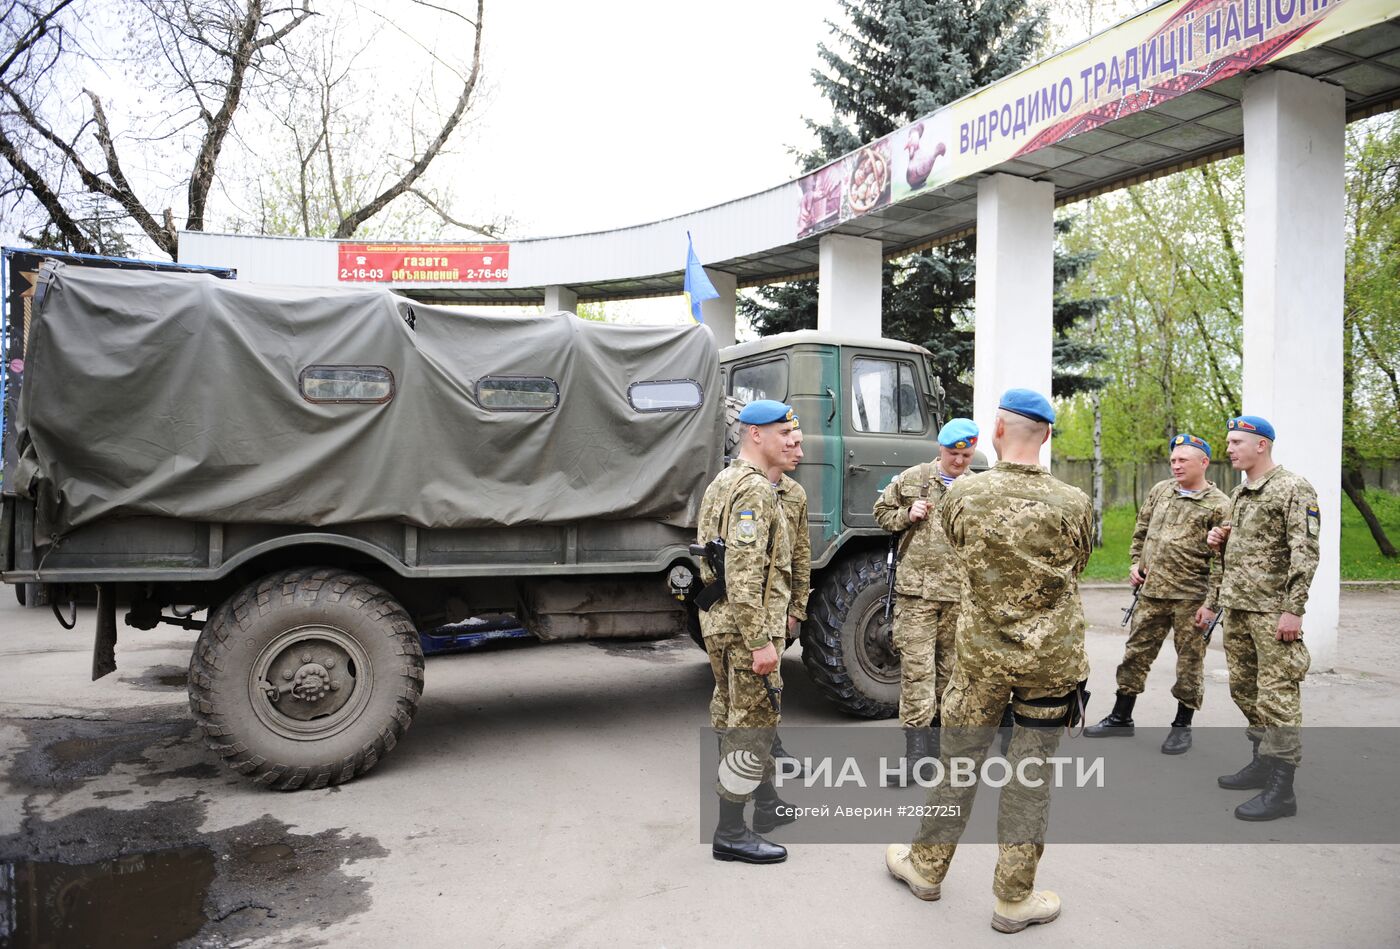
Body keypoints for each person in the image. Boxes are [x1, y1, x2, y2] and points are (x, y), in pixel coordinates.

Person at [884, 388, 1091, 934]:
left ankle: (926, 869)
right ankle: (1013, 899)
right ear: (1046, 434)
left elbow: (958, 552)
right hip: (1050, 662)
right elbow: (1080, 565)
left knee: (958, 764)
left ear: (996, 431)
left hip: (978, 661)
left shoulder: (963, 496)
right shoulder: (1074, 501)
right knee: (1030, 775)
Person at [696, 399, 796, 863]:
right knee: (753, 727)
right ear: (756, 435)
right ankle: (732, 832)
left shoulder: (724, 480)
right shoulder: (755, 489)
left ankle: (767, 803)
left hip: (720, 622)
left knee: (732, 715)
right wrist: (760, 641)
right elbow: (742, 572)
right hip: (744, 628)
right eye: (782, 432)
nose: (790, 441)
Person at [1085, 433, 1229, 754]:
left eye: (1183, 461)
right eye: (1173, 460)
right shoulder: (1161, 491)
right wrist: (1135, 563)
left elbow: (1223, 560)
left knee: (1189, 662)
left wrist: (1212, 604)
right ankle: (1121, 717)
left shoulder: (1220, 506)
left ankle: (1182, 726)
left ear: (1203, 463)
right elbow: (1142, 530)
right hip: (1151, 593)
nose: (1176, 466)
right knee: (1135, 654)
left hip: (1191, 597)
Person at [1207, 415, 1318, 821]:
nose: (1230, 449)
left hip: (1273, 613)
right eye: (1229, 442)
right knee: (1245, 690)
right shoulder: (1240, 493)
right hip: (1238, 607)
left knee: (1278, 698)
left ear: (1262, 445)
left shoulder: (1293, 487)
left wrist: (1294, 610)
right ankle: (1262, 762)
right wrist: (1219, 539)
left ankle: (1282, 789)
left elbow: (1304, 551)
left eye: (1236, 442)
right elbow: (1243, 544)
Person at [872, 417, 979, 784]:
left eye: (966, 455)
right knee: (917, 671)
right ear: (940, 449)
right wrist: (907, 514)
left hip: (960, 595)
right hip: (916, 594)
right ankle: (916, 756)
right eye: (953, 454)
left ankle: (939, 750)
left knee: (950, 674)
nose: (959, 462)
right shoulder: (913, 479)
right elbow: (881, 515)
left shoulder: (978, 488)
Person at [767, 423, 810, 789]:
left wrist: (798, 605)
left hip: (779, 604)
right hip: (750, 608)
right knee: (746, 692)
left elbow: (801, 552)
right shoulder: (742, 488)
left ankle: (773, 748)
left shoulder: (794, 493)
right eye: (792, 444)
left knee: (773, 681)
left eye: (800, 444)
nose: (799, 452)